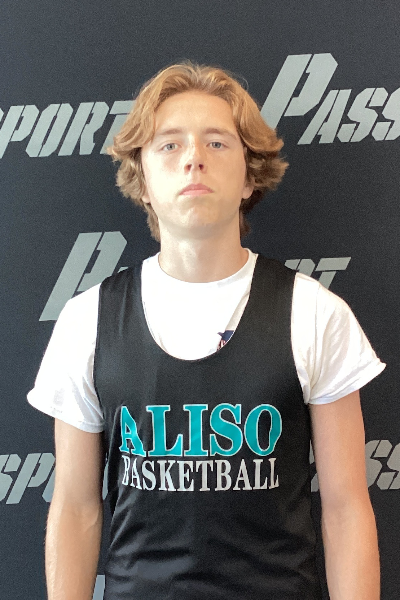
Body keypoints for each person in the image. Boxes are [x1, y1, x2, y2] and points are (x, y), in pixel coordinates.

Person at [27, 60, 385, 600]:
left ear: (249, 176)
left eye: (217, 143)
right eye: (169, 145)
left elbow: (345, 508)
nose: (194, 157)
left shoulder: (315, 313)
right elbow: (76, 507)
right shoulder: (88, 320)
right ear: (142, 180)